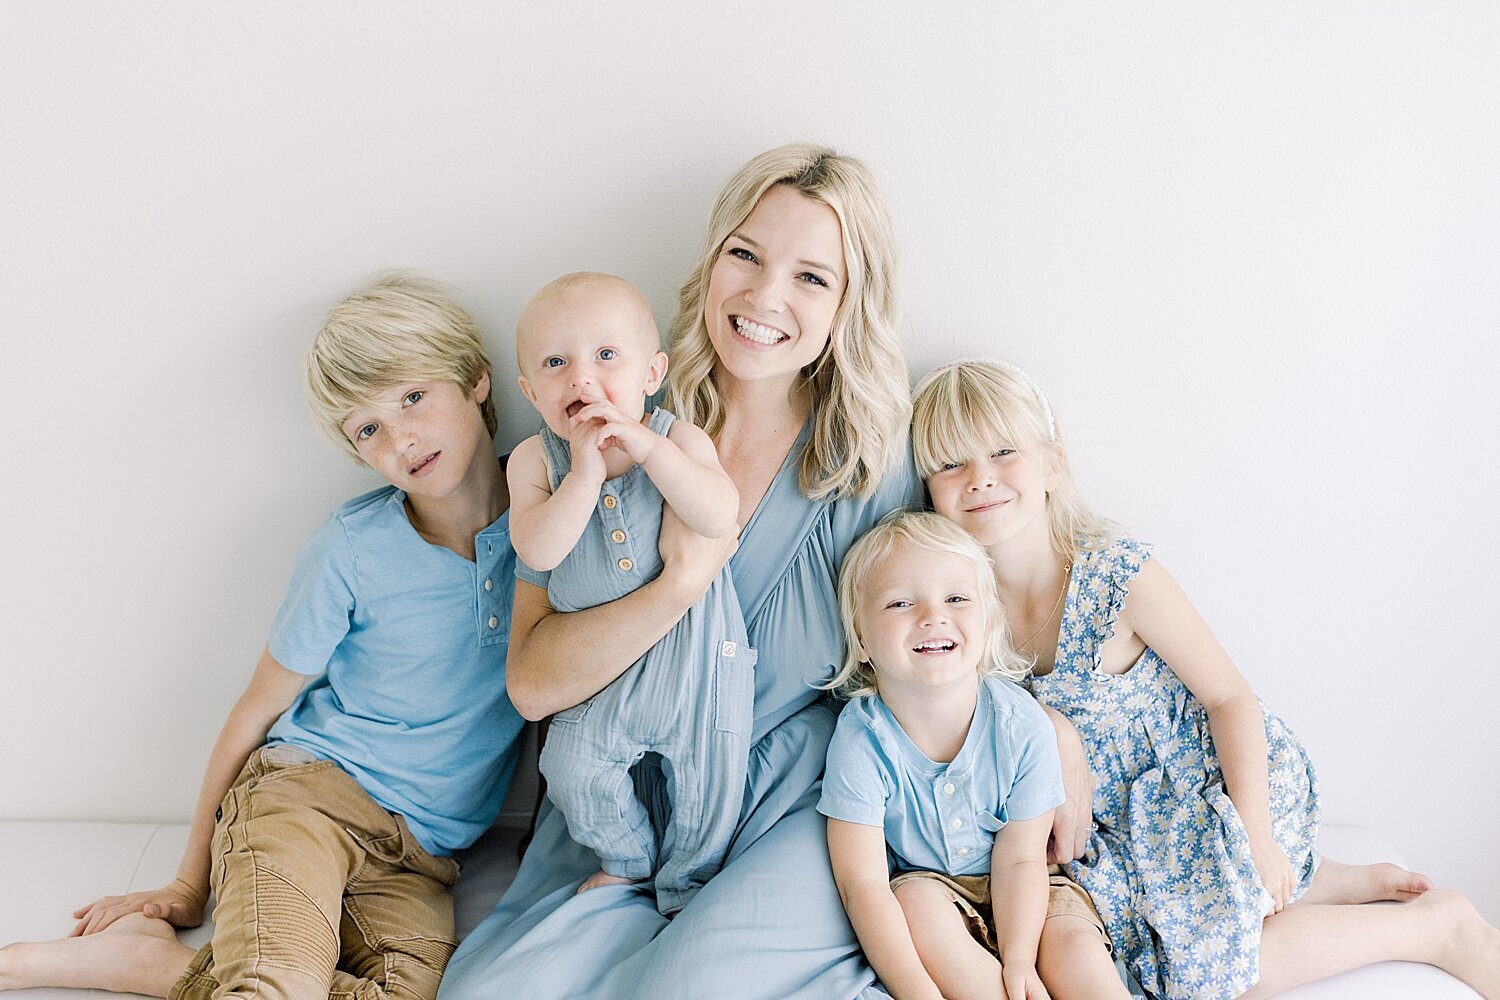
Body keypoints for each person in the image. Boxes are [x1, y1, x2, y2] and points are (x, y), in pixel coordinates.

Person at [439, 143, 944, 1000]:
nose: (765, 296)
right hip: (616, 807)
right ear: (712, 262)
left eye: (812, 278)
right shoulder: (605, 419)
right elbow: (531, 686)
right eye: (745, 254)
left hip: (790, 808)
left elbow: (947, 641)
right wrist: (679, 585)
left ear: (849, 304)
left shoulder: (870, 468)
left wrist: (1051, 736)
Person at [0, 274, 526, 1000]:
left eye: (412, 397)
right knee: (272, 990)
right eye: (367, 428)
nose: (400, 437)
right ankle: (93, 959)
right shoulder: (351, 549)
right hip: (307, 799)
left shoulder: (548, 527)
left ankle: (153, 966)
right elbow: (254, 711)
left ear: (475, 379)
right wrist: (189, 885)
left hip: (421, 858)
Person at [911, 358, 1500, 1000]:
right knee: (1117, 955)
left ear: (1052, 463)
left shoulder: (1115, 576)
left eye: (1003, 452)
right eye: (950, 464)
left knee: (1199, 972)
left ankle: (1433, 929)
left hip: (1203, 781)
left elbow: (1228, 696)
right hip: (1115, 830)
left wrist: (1255, 834)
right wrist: (1049, 723)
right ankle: (1330, 879)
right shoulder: (958, 609)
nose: (980, 480)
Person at [507, 271, 749, 914]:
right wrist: (584, 472)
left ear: (652, 374)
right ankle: (626, 858)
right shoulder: (536, 462)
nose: (581, 380)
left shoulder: (676, 437)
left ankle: (687, 885)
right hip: (605, 677)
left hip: (696, 668)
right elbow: (539, 550)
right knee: (572, 768)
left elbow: (719, 514)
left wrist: (648, 450)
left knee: (711, 782)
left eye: (605, 356)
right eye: (556, 364)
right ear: (531, 390)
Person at [820, 510, 1128, 1000]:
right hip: (936, 890)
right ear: (861, 640)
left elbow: (1023, 857)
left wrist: (1021, 963)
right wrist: (917, 990)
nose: (932, 616)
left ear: (987, 624)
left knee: (1073, 946)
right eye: (900, 602)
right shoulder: (863, 741)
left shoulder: (1021, 724)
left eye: (956, 598)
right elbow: (864, 885)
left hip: (1031, 887)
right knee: (914, 903)